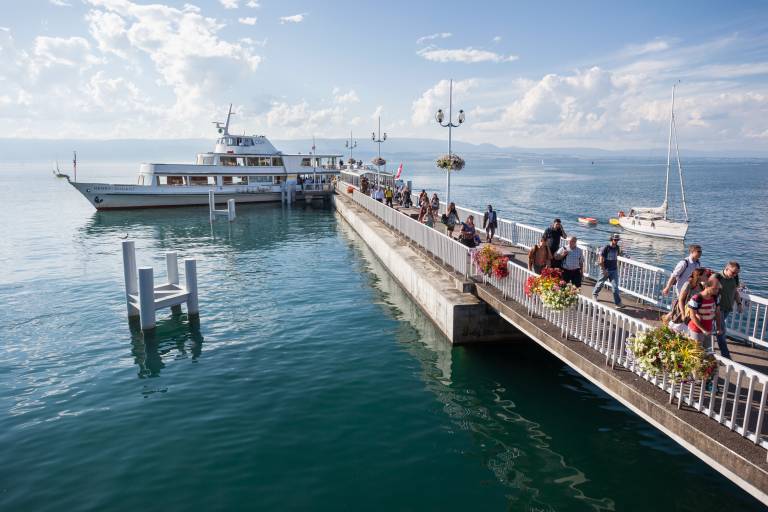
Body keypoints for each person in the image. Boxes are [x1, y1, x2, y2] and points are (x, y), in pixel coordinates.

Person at [666, 267, 711, 334]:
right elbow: (681, 300)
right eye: (705, 275)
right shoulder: (688, 284)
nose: (707, 277)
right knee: (674, 330)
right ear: (699, 276)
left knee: (684, 333)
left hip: (691, 312)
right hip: (683, 310)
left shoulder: (701, 286)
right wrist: (683, 314)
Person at [713, 261, 743, 359]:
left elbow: (735, 292)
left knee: (717, 330)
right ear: (726, 268)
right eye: (733, 272)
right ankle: (726, 356)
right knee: (721, 331)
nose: (735, 275)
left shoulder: (735, 278)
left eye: (737, 273)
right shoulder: (717, 277)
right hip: (717, 309)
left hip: (727, 308)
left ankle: (708, 348)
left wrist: (739, 304)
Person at [686, 276, 722, 347]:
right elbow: (692, 316)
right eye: (714, 289)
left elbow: (718, 313)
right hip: (696, 330)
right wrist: (703, 330)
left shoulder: (715, 298)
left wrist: (718, 328)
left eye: (718, 289)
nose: (717, 291)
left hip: (708, 329)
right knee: (696, 351)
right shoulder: (696, 299)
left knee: (708, 352)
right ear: (707, 287)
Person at [592, 234, 624, 308]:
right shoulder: (606, 248)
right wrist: (604, 270)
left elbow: (618, 255)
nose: (616, 241)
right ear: (611, 239)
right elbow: (600, 261)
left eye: (617, 240)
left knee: (615, 287)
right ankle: (594, 294)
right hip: (605, 269)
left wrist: (622, 252)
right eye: (615, 240)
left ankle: (618, 303)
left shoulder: (617, 248)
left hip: (614, 270)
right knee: (600, 283)